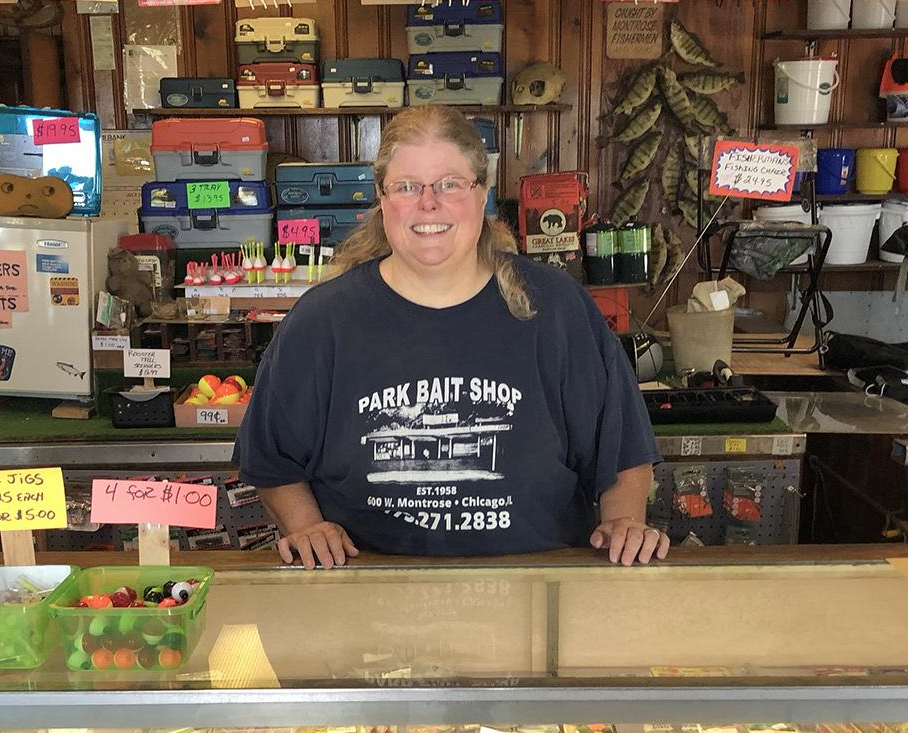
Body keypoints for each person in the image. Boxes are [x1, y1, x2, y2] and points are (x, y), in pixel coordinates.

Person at [233, 103, 668, 569]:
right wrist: (306, 529)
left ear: (482, 194)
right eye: (406, 187)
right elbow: (272, 460)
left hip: (535, 598)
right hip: (369, 598)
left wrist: (624, 524)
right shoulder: (321, 322)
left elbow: (621, 447)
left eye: (450, 184)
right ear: (382, 198)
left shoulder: (556, 306)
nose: (428, 203)